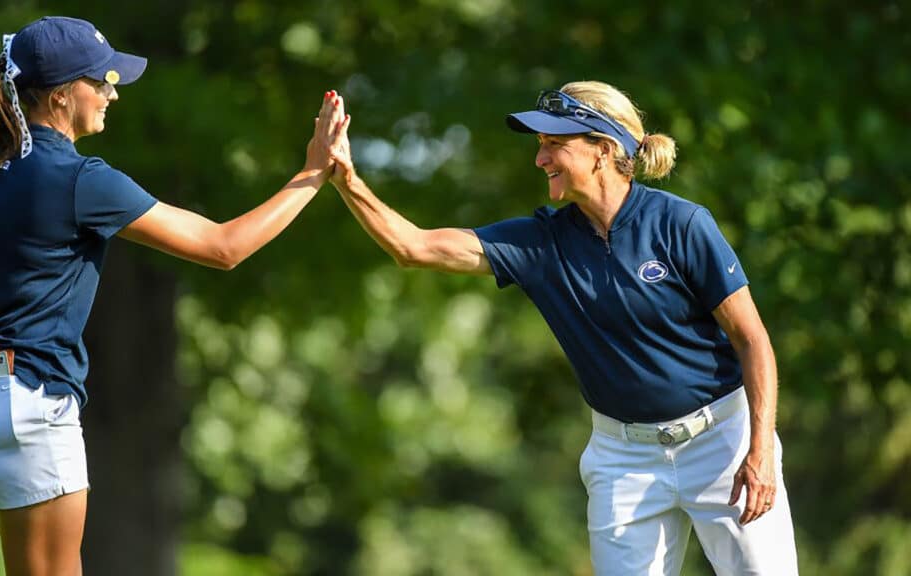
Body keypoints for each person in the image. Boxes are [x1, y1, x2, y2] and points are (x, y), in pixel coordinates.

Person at [324, 82, 799, 574]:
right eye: (539, 145)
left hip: (723, 442)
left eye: (555, 143)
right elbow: (415, 248)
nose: (540, 158)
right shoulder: (541, 244)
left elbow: (752, 339)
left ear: (603, 151)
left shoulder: (680, 224)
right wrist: (347, 180)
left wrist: (760, 450)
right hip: (623, 460)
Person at [0, 16, 345, 575]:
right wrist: (313, 173)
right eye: (101, 81)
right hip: (31, 402)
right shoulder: (83, 179)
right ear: (61, 95)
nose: (111, 94)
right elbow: (223, 246)